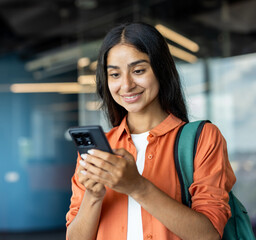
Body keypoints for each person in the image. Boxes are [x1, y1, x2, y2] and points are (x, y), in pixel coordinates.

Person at [66, 22, 236, 240]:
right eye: (115, 75)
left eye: (138, 71)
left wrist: (138, 187)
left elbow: (209, 235)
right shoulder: (101, 150)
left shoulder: (203, 138)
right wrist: (93, 196)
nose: (126, 85)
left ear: (161, 70)